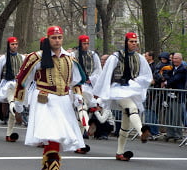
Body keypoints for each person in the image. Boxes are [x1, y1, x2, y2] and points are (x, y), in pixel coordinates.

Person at [14, 26, 86, 170]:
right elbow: (23, 79)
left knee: (57, 141)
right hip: (45, 101)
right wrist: (18, 102)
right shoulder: (36, 57)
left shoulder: (70, 58)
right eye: (54, 38)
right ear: (48, 39)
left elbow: (77, 80)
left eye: (60, 37)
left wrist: (78, 96)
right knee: (52, 139)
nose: (57, 41)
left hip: (63, 102)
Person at [93, 32, 153, 161]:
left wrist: (136, 82)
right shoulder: (115, 57)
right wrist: (100, 94)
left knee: (126, 122)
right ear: (126, 42)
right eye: (131, 41)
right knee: (131, 107)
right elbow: (106, 75)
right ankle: (141, 131)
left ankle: (120, 152)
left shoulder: (139, 58)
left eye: (135, 41)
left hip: (131, 88)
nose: (134, 44)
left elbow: (146, 75)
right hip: (117, 89)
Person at [0, 37, 25, 142]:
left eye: (16, 44)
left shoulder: (22, 57)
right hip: (7, 83)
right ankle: (16, 112)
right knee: (12, 102)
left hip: (18, 84)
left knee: (13, 107)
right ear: (8, 45)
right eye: (12, 44)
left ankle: (9, 134)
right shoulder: (2, 59)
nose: (15, 46)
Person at [74, 35, 102, 137]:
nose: (86, 46)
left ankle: (83, 131)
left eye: (87, 43)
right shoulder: (73, 55)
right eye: (84, 43)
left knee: (82, 108)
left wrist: (91, 78)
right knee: (81, 108)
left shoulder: (93, 55)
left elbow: (98, 69)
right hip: (76, 85)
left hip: (87, 86)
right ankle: (84, 131)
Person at [164, 53, 187, 141]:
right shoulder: (172, 68)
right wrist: (166, 79)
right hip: (169, 95)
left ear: (181, 60)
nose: (174, 60)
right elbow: (166, 75)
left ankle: (178, 134)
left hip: (178, 96)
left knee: (176, 116)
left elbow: (175, 79)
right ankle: (170, 133)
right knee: (169, 115)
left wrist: (167, 82)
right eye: (173, 58)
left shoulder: (183, 69)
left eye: (176, 58)